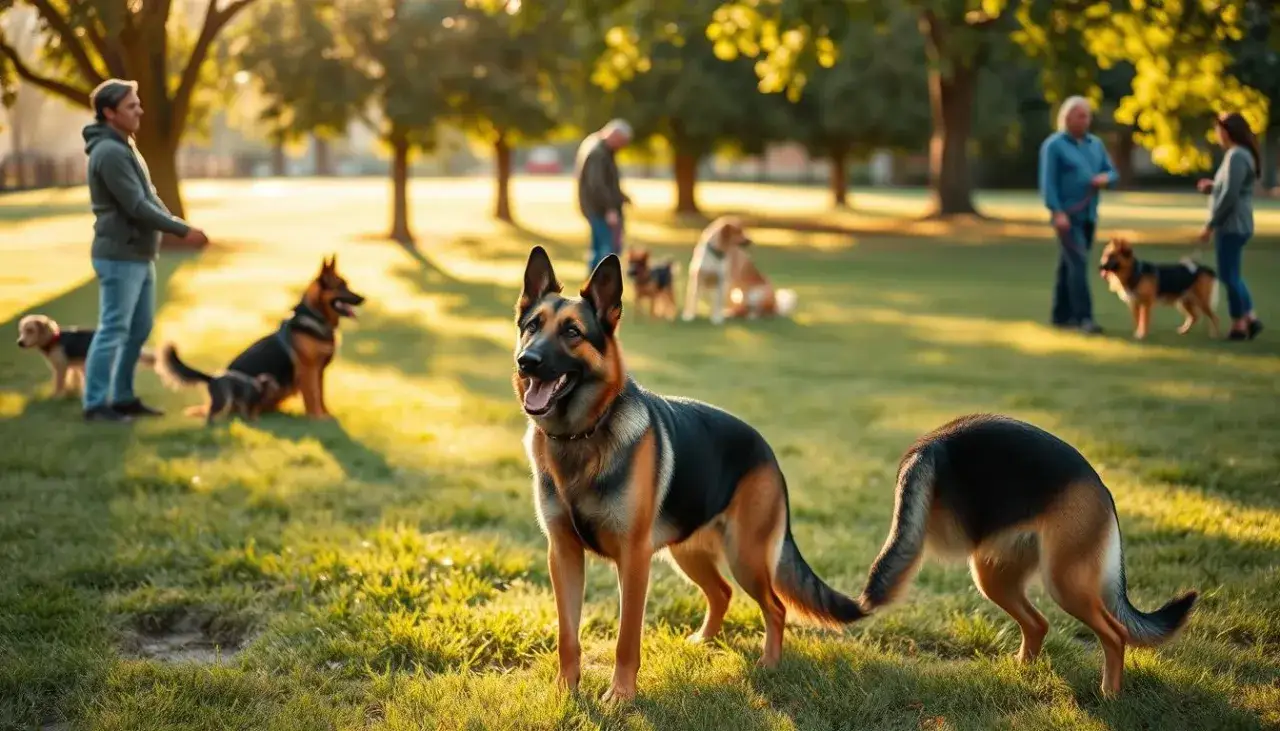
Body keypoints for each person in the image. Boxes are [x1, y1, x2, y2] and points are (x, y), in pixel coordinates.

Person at [81, 78, 208, 423]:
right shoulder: (109, 152)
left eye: (138, 103)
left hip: (138, 254)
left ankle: (122, 397)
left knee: (138, 329)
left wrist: (173, 222)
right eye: (131, 106)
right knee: (113, 329)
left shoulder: (125, 145)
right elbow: (136, 205)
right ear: (109, 113)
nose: (140, 110)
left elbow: (150, 197)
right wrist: (182, 230)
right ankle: (95, 404)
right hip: (119, 255)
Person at [1038, 95, 1118, 334]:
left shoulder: (1095, 144)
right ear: (1067, 117)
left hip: (1089, 214)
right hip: (1067, 215)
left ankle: (1060, 315)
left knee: (1068, 264)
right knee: (1079, 263)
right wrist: (1056, 211)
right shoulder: (1054, 146)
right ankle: (1084, 317)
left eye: (1088, 116)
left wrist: (1105, 178)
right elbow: (1048, 182)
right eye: (1081, 116)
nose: (1086, 120)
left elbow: (1112, 172)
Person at [1197, 112, 1263, 341]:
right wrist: (1213, 187)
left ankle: (1239, 324)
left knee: (1228, 275)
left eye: (1218, 129)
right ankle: (1250, 318)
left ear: (1226, 131)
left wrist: (1210, 225)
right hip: (1238, 223)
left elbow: (1230, 196)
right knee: (1232, 274)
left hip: (1232, 224)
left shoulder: (1236, 156)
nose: (1216, 134)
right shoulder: (1239, 155)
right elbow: (1229, 188)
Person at [575, 119, 632, 276]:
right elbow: (597, 185)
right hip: (599, 210)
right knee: (605, 252)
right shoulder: (598, 152)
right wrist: (610, 209)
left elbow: (607, 181)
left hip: (598, 208)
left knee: (599, 248)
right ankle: (597, 289)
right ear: (614, 136)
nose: (622, 147)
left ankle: (594, 289)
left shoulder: (601, 148)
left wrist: (622, 197)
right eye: (622, 142)